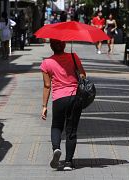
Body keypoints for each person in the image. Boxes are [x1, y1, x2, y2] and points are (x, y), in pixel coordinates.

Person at [40, 39, 86, 171]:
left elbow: (47, 85)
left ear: (51, 46)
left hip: (59, 99)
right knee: (71, 130)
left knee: (56, 126)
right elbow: (83, 75)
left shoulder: (46, 63)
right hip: (74, 97)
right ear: (65, 45)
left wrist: (44, 106)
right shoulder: (73, 56)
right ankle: (68, 163)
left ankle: (56, 148)